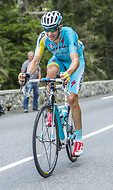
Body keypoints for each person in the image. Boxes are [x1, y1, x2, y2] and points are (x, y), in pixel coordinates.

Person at [18, 10, 85, 157]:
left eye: (52, 29)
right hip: (58, 60)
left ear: (59, 26)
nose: (49, 33)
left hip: (74, 63)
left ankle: (79, 138)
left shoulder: (69, 34)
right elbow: (35, 61)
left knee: (72, 99)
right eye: (46, 30)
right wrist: (27, 74)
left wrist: (68, 73)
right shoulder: (43, 38)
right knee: (50, 72)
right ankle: (51, 109)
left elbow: (75, 60)